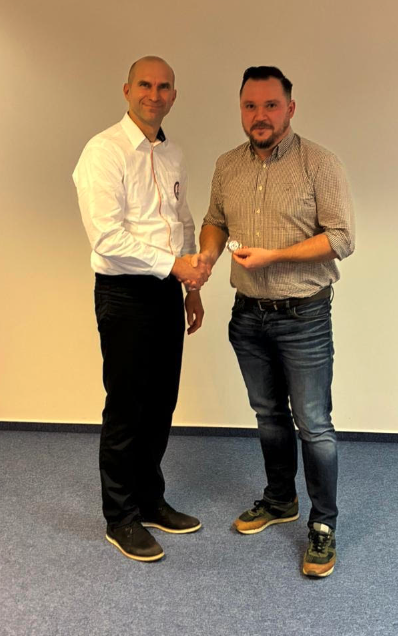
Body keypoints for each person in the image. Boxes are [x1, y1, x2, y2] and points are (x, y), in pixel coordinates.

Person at [199, 66, 355, 577]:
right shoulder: (227, 165)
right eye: (250, 106)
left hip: (303, 316)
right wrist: (206, 259)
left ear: (290, 108)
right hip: (247, 316)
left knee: (314, 423)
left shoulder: (319, 164)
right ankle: (280, 499)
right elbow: (215, 220)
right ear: (241, 109)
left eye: (270, 105)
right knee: (268, 415)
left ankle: (323, 524)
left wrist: (275, 257)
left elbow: (342, 238)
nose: (259, 115)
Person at [73, 56, 209, 562]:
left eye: (164, 86)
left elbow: (182, 220)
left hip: (167, 291)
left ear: (174, 94)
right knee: (127, 407)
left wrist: (191, 286)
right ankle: (120, 516)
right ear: (127, 89)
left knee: (160, 403)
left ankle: (150, 500)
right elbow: (107, 238)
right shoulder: (103, 151)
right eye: (145, 85)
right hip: (124, 294)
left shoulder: (173, 153)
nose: (155, 94)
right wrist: (175, 266)